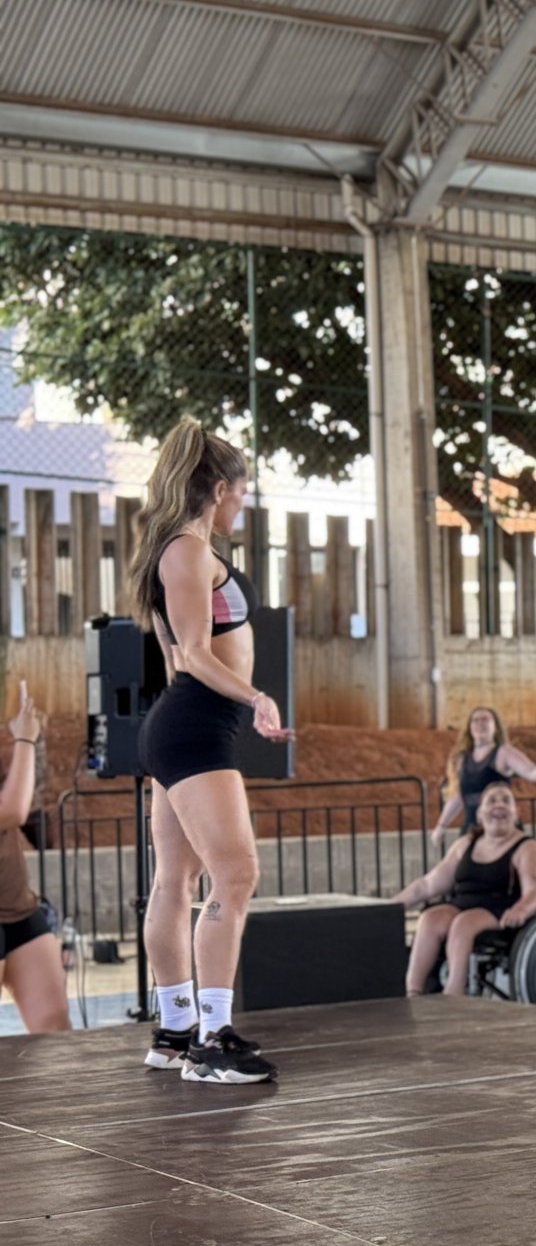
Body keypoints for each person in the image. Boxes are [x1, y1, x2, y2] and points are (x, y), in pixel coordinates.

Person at [131, 422, 292, 1083]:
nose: (242, 507)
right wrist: (257, 697)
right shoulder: (188, 552)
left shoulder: (177, 551)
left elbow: (176, 658)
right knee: (236, 875)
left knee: (177, 881)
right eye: (242, 493)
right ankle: (212, 1041)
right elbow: (194, 654)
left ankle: (175, 1032)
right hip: (195, 729)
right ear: (220, 489)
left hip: (183, 726)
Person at [392, 784, 536, 995]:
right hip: (463, 905)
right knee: (430, 918)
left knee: (464, 923)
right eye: (492, 801)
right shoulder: (465, 844)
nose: (499, 805)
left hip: (503, 909)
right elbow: (428, 885)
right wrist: (390, 906)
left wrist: (521, 910)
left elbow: (535, 890)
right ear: (479, 814)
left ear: (516, 813)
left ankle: (454, 992)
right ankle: (413, 991)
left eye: (506, 800)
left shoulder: (528, 848)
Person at [0, 684, 62, 1033]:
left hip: (19, 910)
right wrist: (25, 739)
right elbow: (11, 811)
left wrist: (29, 739)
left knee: (55, 1031)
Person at [432, 708, 536, 849]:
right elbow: (458, 796)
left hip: (501, 827)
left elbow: (530, 771)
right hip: (471, 828)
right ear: (469, 728)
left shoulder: (504, 752)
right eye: (475, 720)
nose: (480, 724)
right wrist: (441, 826)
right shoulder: (462, 759)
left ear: (496, 727)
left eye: (485, 719)